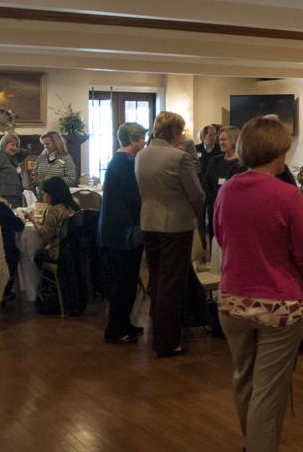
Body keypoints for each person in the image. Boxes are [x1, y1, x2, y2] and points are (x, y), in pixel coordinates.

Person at [214, 116, 303, 452]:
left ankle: (254, 444)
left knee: (244, 377)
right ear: (278, 152)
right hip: (278, 303)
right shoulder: (286, 194)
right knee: (269, 387)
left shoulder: (227, 189)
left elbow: (221, 237)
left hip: (232, 299)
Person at [136, 111, 204, 357]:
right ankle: (167, 342)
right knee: (172, 284)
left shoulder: (141, 155)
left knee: (157, 280)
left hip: (148, 221)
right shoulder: (179, 157)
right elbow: (197, 195)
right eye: (182, 131)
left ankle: (158, 333)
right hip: (175, 224)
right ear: (175, 132)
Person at [99, 122, 147, 344]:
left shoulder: (117, 161)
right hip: (123, 233)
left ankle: (124, 323)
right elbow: (134, 198)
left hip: (114, 231)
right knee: (123, 283)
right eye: (142, 138)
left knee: (125, 281)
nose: (144, 142)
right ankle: (116, 329)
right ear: (132, 140)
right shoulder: (126, 163)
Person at [202, 125, 241, 242]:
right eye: (220, 140)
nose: (221, 143)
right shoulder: (214, 161)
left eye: (224, 139)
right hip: (214, 209)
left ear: (233, 139)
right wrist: (215, 201)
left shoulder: (241, 164)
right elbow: (206, 184)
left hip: (232, 212)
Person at [28, 176, 79, 265]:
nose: (43, 195)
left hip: (60, 253)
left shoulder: (54, 210)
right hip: (75, 251)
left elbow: (46, 235)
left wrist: (33, 220)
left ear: (52, 194)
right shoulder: (73, 205)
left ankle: (48, 273)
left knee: (38, 254)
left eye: (45, 192)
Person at [0, 133, 26, 208]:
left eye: (17, 146)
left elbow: (26, 152)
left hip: (15, 195)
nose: (15, 148)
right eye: (12, 145)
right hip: (4, 196)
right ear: (4, 144)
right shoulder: (0, 157)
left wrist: (16, 149)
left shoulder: (11, 158)